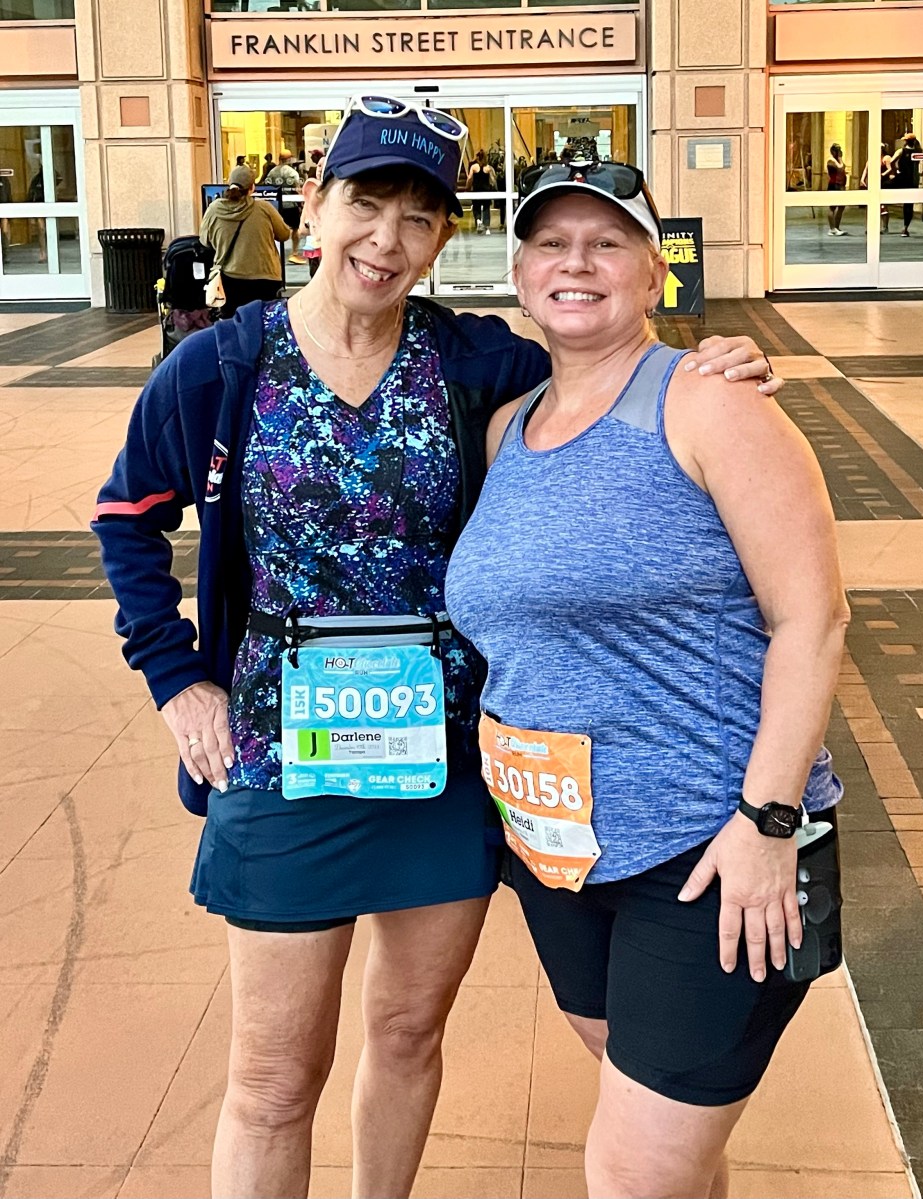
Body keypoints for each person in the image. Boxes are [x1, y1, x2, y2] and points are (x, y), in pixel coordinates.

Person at [94, 97, 779, 1199]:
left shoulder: (477, 362)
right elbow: (128, 517)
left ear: (443, 238)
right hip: (282, 756)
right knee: (272, 1077)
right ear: (313, 206)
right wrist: (176, 677)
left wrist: (708, 364)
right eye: (366, 204)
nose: (386, 239)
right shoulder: (222, 367)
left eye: (419, 217)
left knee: (408, 1032)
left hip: (446, 756)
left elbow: (604, 377)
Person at [445, 158, 848, 1199]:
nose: (575, 263)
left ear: (655, 270)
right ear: (519, 272)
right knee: (667, 1142)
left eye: (607, 242)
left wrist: (768, 822)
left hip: (711, 850)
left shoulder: (711, 404)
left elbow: (812, 619)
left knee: (632, 1171)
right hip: (560, 849)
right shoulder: (507, 427)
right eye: (550, 243)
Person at [199, 164, 290, 319]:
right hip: (266, 278)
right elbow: (284, 234)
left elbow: (204, 241)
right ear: (252, 188)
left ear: (229, 185)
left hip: (229, 279)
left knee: (232, 323)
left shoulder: (214, 209)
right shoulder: (264, 208)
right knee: (264, 323)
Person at [265, 149, 304, 262]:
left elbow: (269, 188)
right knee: (295, 229)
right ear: (289, 159)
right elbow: (297, 189)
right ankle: (294, 253)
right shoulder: (292, 173)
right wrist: (301, 203)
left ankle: (274, 253)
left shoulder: (272, 172)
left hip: (277, 206)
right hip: (290, 205)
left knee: (274, 230)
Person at [891, 133, 921, 236]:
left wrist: (895, 172)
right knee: (909, 205)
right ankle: (905, 227)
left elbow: (892, 162)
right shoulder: (918, 152)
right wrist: (921, 173)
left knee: (885, 189)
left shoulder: (902, 151)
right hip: (912, 180)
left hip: (903, 178)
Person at [466, 148, 495, 233]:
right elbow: (493, 180)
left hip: (476, 190)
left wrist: (467, 187)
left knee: (476, 207)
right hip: (486, 190)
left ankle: (478, 221)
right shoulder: (488, 168)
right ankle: (486, 227)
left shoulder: (474, 167)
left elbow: (470, 178)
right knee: (486, 208)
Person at [826, 142, 847, 236]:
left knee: (842, 206)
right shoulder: (831, 160)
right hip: (834, 185)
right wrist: (840, 158)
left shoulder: (837, 160)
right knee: (833, 207)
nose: (839, 152)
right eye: (838, 150)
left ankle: (836, 227)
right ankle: (832, 229)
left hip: (840, 185)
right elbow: (840, 168)